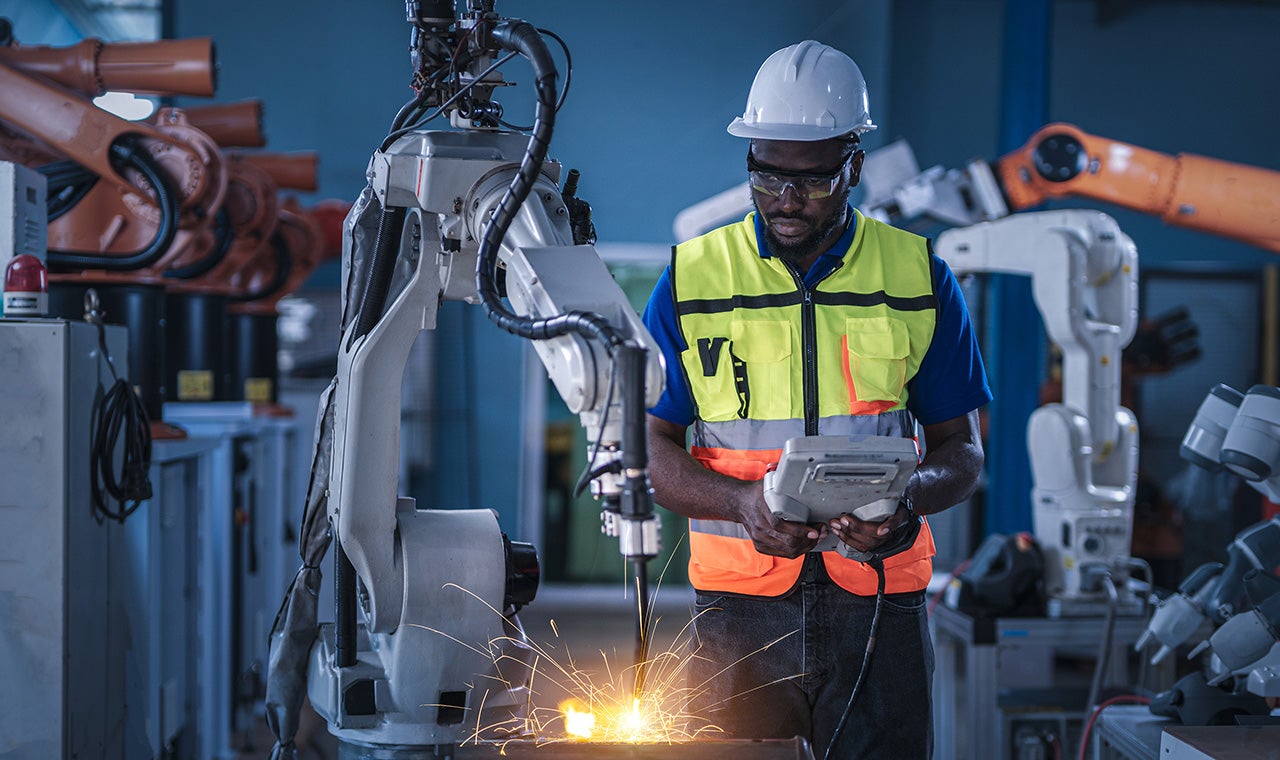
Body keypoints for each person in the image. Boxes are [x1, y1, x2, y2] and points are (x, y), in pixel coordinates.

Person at [642, 40, 991, 758]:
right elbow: (647, 448)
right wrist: (740, 504)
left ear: (855, 166)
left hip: (879, 603)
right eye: (766, 178)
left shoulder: (919, 277)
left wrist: (904, 506)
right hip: (739, 609)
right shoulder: (690, 280)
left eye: (812, 181)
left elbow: (963, 450)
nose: (787, 200)